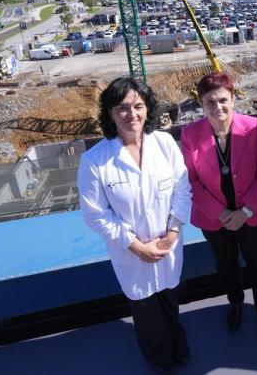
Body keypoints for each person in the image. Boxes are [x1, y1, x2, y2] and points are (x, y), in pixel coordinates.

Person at [78, 77, 192, 372]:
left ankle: (178, 345)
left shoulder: (164, 144)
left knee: (170, 298)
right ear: (110, 113)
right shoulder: (94, 161)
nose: (132, 114)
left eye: (138, 106)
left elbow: (182, 192)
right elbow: (95, 214)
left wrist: (172, 233)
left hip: (168, 245)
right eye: (123, 108)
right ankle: (159, 357)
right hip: (131, 253)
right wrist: (136, 246)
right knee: (146, 310)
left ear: (148, 108)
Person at [180, 72, 257, 340]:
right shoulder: (190, 134)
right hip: (214, 218)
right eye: (210, 102)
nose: (218, 107)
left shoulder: (253, 127)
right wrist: (222, 214)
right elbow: (191, 181)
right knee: (225, 265)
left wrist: (245, 212)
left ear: (233, 99)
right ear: (201, 104)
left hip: (252, 213)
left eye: (223, 100)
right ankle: (235, 302)